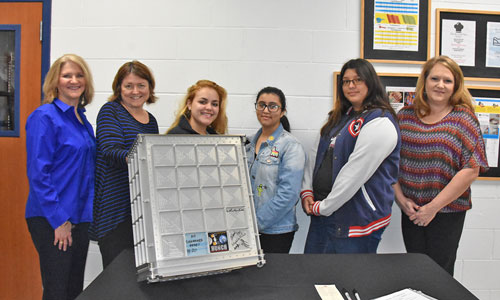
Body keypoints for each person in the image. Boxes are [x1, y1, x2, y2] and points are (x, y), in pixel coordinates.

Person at [394, 55, 488, 275]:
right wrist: (401, 200)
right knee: (415, 270)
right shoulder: (404, 117)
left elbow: (471, 169)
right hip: (412, 210)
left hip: (447, 212)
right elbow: (390, 164)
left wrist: (433, 208)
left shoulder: (464, 118)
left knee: (440, 274)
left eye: (447, 80)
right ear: (424, 81)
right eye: (435, 78)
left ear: (455, 86)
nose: (440, 85)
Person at [301, 58, 401, 254]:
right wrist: (307, 191)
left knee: (348, 284)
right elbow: (315, 155)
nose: (351, 86)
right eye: (346, 81)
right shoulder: (338, 117)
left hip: (356, 222)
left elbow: (354, 173)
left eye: (357, 80)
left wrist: (324, 207)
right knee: (314, 278)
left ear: (371, 82)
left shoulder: (380, 122)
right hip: (323, 214)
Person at [25, 54, 95, 300]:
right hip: (51, 218)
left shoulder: (83, 121)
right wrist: (59, 221)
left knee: (74, 290)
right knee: (57, 291)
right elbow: (37, 173)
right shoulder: (44, 116)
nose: (74, 80)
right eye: (67, 75)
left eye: (79, 75)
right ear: (55, 81)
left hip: (80, 219)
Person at [89, 61, 159, 268]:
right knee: (115, 278)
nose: (135, 91)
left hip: (141, 211)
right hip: (114, 209)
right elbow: (111, 151)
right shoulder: (110, 111)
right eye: (128, 86)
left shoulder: (151, 120)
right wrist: (141, 158)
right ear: (119, 87)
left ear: (149, 88)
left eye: (141, 85)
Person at [246, 87, 306, 253]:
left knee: (270, 278)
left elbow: (289, 194)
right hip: (247, 229)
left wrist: (255, 224)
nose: (266, 110)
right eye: (261, 105)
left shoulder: (291, 146)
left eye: (273, 106)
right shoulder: (247, 145)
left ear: (282, 111)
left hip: (277, 232)